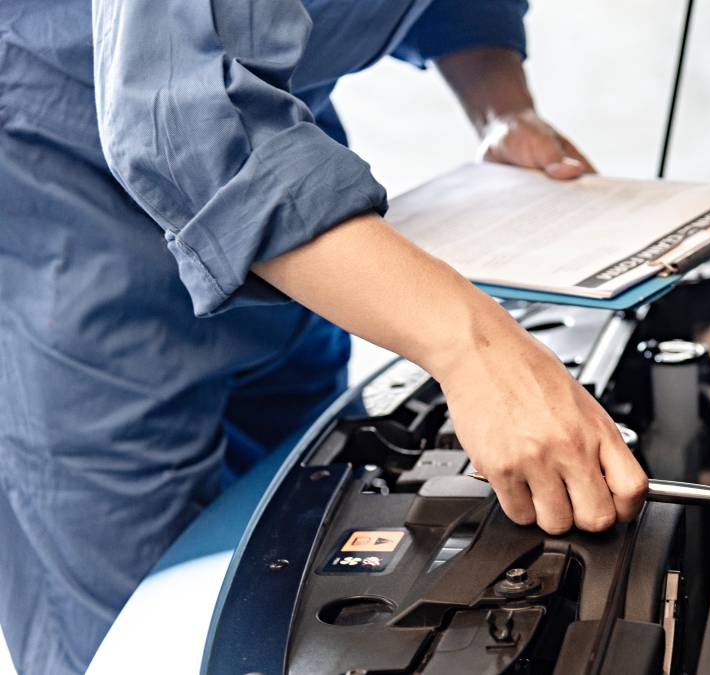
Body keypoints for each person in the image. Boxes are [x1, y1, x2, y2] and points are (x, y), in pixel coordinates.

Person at [0, 0, 649, 671]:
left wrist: (500, 105)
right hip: (70, 220)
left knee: (294, 577)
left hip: (290, 213)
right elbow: (180, 106)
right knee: (135, 637)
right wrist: (475, 349)